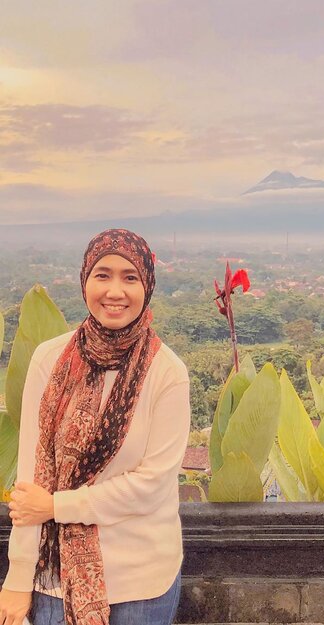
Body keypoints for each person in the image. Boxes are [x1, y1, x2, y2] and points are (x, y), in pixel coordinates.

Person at [0, 229, 191, 625]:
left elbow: (151, 486)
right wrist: (18, 575)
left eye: (130, 277)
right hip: (55, 580)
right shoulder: (48, 359)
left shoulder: (167, 373)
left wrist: (56, 506)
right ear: (85, 279)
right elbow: (32, 478)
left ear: (147, 285)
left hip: (142, 582)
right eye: (102, 275)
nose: (115, 291)